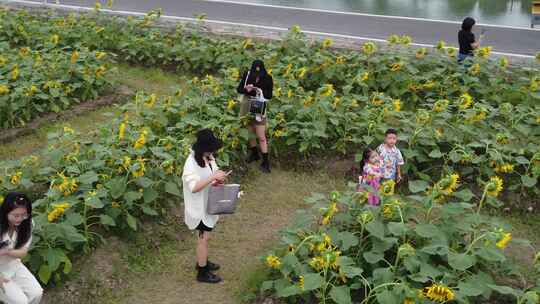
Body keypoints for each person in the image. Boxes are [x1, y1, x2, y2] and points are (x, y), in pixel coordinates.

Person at [182, 129, 230, 284]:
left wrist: (218, 179)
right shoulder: (190, 164)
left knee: (206, 236)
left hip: (208, 203)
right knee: (203, 238)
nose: (213, 152)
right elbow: (194, 187)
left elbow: (212, 175)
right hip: (198, 208)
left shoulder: (208, 157)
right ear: (203, 148)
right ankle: (202, 272)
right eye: (211, 149)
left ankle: (203, 262)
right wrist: (212, 177)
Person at [0, 192, 43, 304]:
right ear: (5, 212)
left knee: (37, 293)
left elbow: (23, 252)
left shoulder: (27, 225)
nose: (20, 219)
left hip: (14, 265)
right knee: (20, 302)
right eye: (16, 215)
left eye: (24, 214)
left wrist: (7, 251)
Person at [236, 60, 274, 173]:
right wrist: (246, 89)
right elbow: (239, 89)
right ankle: (254, 153)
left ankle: (266, 161)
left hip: (259, 105)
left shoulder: (267, 78)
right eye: (255, 72)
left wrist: (258, 90)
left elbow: (269, 95)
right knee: (249, 132)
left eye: (259, 72)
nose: (256, 75)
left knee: (261, 135)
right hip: (247, 105)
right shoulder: (247, 75)